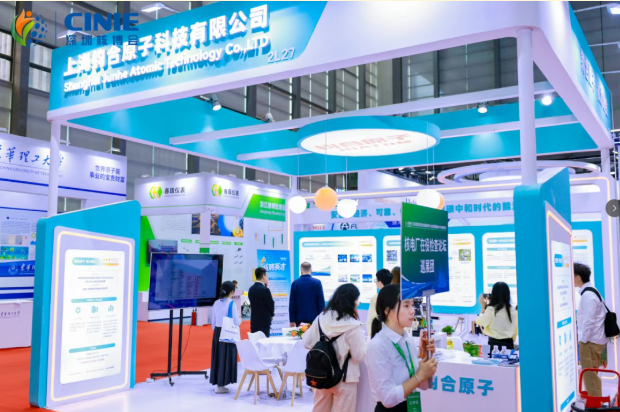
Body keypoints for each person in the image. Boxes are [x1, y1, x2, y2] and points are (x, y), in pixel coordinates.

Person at [367, 284, 437, 411]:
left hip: (410, 406)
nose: (412, 310)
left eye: (412, 305)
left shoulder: (408, 339)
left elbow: (424, 386)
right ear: (387, 311)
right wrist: (419, 376)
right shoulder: (378, 345)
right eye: (406, 306)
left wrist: (426, 360)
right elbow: (388, 399)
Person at [302, 284, 366, 412]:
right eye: (357, 301)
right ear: (352, 302)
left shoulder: (321, 318)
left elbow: (306, 342)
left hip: (322, 373)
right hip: (345, 378)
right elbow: (359, 356)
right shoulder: (353, 326)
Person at [574, 263, 607, 397]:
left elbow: (588, 322)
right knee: (591, 374)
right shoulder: (592, 291)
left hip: (590, 342)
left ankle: (595, 403)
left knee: (590, 376)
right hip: (594, 340)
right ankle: (594, 400)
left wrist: (583, 341)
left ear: (578, 278)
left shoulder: (588, 296)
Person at [210, 281, 241, 394]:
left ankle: (219, 383)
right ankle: (221, 384)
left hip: (217, 332)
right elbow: (236, 321)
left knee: (218, 357)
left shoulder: (216, 303)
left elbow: (213, 321)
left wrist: (217, 331)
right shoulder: (232, 304)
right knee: (226, 357)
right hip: (227, 332)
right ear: (232, 291)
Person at [476, 282, 518, 356]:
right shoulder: (512, 310)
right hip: (509, 343)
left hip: (494, 345)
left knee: (494, 363)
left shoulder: (492, 309)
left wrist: (483, 306)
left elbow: (480, 322)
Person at [289, 262, 325, 327]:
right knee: (314, 334)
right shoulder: (317, 283)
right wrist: (322, 318)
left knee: (301, 333)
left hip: (299, 318)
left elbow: (292, 303)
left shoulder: (295, 283)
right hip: (314, 318)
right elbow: (321, 302)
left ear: (301, 271)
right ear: (311, 270)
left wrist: (292, 320)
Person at [248, 267, 274, 337]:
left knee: (255, 341)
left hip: (254, 321)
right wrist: (272, 314)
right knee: (264, 341)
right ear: (263, 276)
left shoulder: (251, 289)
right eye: (266, 276)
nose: (267, 278)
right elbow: (270, 303)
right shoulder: (265, 290)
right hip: (264, 321)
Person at [367, 269, 394, 336]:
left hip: (380, 333)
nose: (376, 282)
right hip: (393, 331)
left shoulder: (376, 298)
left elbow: (371, 319)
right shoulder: (396, 296)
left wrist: (371, 334)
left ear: (380, 282)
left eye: (376, 280)